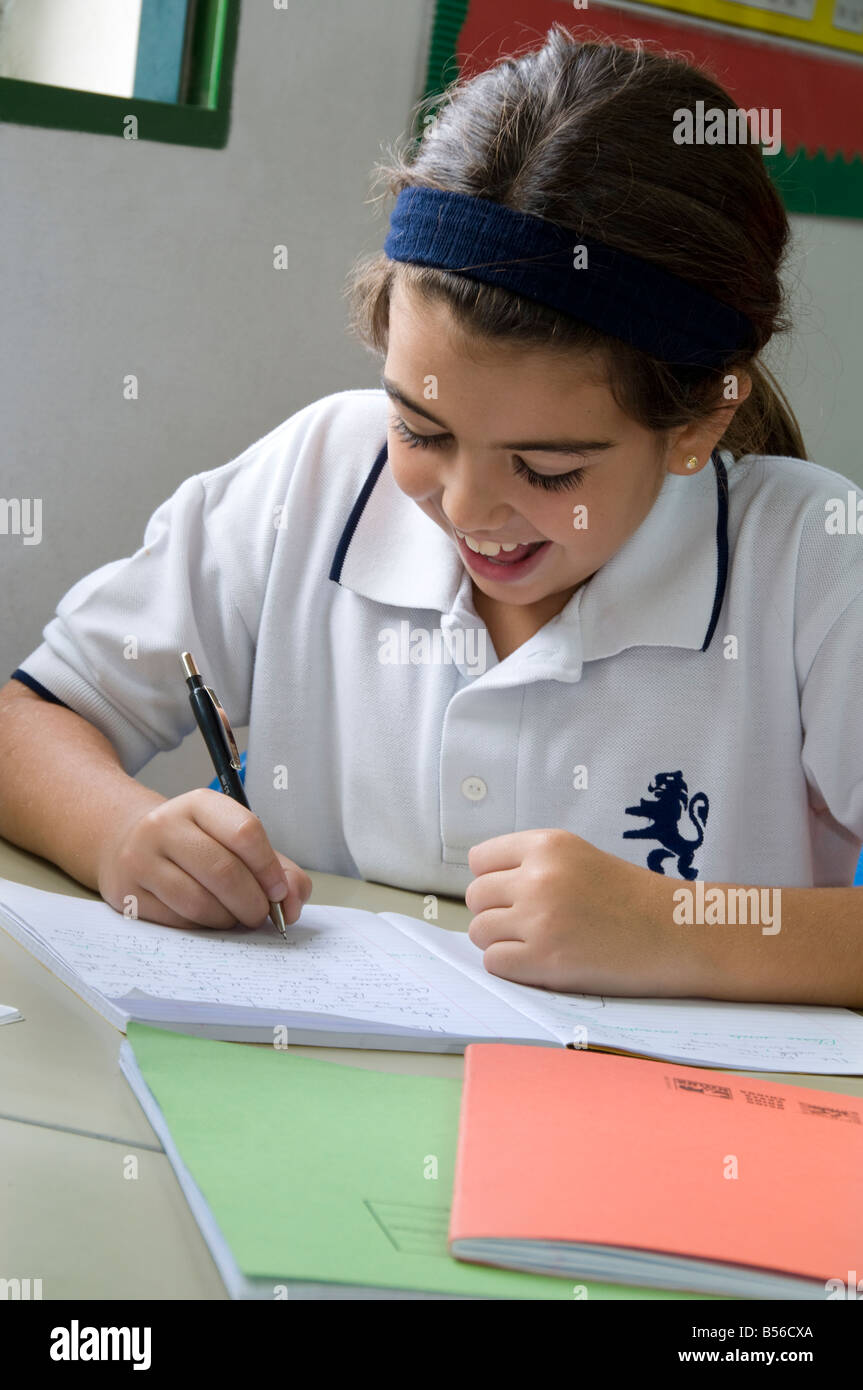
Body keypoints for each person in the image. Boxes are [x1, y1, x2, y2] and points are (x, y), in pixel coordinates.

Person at [2, 27, 861, 1005]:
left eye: (545, 467)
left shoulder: (810, 562)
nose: (462, 508)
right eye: (420, 429)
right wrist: (118, 831)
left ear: (699, 417)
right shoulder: (318, 473)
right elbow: (29, 719)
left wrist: (672, 928)